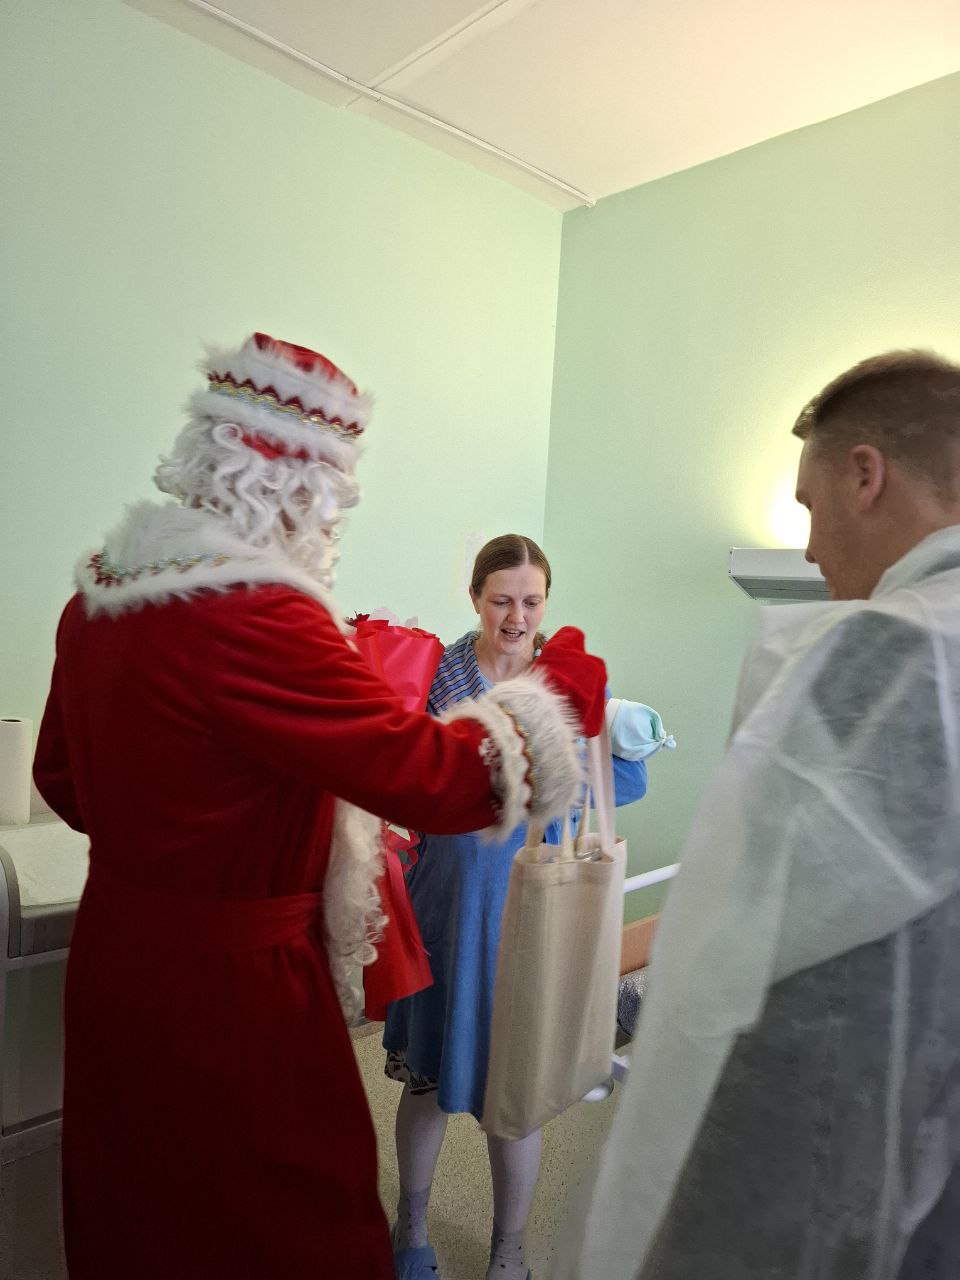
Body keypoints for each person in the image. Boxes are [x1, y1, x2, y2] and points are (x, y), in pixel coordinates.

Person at [31, 333, 610, 1280]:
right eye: (335, 491)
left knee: (143, 1201)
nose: (335, 516)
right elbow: (442, 778)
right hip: (234, 984)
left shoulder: (97, 598)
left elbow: (61, 780)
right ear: (292, 483)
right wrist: (557, 694)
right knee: (289, 1212)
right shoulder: (257, 612)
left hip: (117, 953)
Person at [553, 349, 960, 1280]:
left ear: (866, 475)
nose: (810, 550)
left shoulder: (879, 655)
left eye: (809, 507)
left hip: (842, 1116)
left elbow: (742, 934)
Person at [383, 533, 672, 1280]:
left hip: (528, 916)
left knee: (520, 1094)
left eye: (531, 602)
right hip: (443, 909)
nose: (516, 617)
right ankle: (411, 1226)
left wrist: (565, 760)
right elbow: (402, 777)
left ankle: (508, 1249)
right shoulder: (437, 673)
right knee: (425, 1083)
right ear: (475, 598)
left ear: (547, 602)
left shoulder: (566, 681)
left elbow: (623, 784)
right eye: (501, 600)